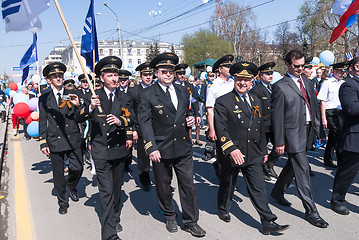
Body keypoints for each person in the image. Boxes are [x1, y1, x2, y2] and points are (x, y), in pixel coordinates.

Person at [215, 61, 289, 235]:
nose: (242, 83)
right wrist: (231, 149)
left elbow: (260, 127)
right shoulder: (223, 101)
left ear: (252, 81)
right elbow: (221, 129)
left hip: (253, 152)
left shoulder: (255, 99)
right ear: (234, 79)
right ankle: (223, 208)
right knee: (228, 184)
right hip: (233, 152)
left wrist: (263, 151)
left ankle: (267, 221)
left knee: (258, 187)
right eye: (239, 79)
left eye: (246, 80)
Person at [138, 53, 206, 237]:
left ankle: (191, 221)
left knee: (188, 185)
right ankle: (169, 215)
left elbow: (187, 111)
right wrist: (150, 147)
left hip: (183, 146)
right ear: (156, 73)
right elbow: (144, 123)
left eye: (171, 71)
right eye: (164, 71)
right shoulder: (147, 94)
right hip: (161, 147)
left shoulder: (183, 90)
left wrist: (190, 119)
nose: (168, 74)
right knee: (163, 185)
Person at [75, 56, 134, 240]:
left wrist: (120, 121)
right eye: (110, 75)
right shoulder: (92, 96)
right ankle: (109, 233)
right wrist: (90, 108)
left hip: (119, 150)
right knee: (106, 190)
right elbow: (78, 117)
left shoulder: (125, 96)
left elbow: (132, 118)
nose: (115, 78)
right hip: (101, 150)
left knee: (116, 189)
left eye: (116, 74)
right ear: (102, 78)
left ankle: (114, 217)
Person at [270, 49, 328, 228]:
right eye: (296, 66)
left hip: (308, 130)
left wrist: (318, 131)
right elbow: (277, 117)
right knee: (303, 170)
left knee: (292, 166)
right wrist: (279, 141)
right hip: (292, 134)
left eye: (303, 66)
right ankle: (311, 212)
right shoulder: (280, 86)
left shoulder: (308, 83)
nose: (300, 69)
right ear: (287, 64)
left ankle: (277, 192)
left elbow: (313, 107)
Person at [38, 62, 83, 215]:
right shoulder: (44, 98)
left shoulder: (71, 93)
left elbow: (81, 115)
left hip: (73, 138)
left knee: (78, 167)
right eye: (54, 76)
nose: (58, 78)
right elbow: (43, 120)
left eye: (60, 75)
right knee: (58, 174)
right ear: (49, 79)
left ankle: (72, 184)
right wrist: (43, 141)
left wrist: (77, 106)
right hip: (55, 139)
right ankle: (62, 201)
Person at [330, 56, 359, 215]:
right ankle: (337, 200)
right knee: (347, 171)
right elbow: (351, 108)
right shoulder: (349, 85)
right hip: (355, 136)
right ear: (356, 67)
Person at [250, 62, 280, 181]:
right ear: (261, 75)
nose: (270, 76)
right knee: (262, 151)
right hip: (262, 125)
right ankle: (262, 170)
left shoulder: (273, 87)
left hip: (273, 125)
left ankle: (270, 165)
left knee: (279, 148)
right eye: (267, 74)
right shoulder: (256, 90)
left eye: (271, 73)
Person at [206, 55, 234, 178]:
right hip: (220, 123)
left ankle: (224, 168)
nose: (229, 68)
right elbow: (210, 108)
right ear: (220, 69)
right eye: (227, 67)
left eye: (230, 66)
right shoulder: (214, 86)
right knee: (223, 151)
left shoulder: (234, 82)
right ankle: (224, 176)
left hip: (234, 122)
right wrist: (211, 129)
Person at [127, 62, 153, 191]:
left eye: (150, 74)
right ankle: (144, 178)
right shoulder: (133, 91)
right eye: (145, 75)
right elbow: (130, 111)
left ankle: (162, 180)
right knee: (143, 157)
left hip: (157, 128)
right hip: (141, 128)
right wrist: (133, 130)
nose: (148, 77)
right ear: (140, 76)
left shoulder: (157, 89)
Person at [317, 62, 346, 168]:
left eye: (343, 71)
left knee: (339, 136)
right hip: (330, 112)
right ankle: (329, 159)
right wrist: (323, 118)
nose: (342, 73)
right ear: (334, 71)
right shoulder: (327, 83)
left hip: (341, 112)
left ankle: (338, 159)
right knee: (336, 134)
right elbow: (323, 101)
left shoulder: (343, 83)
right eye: (340, 71)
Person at [174, 63, 201, 145]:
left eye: (183, 74)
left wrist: (197, 114)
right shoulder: (173, 86)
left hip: (189, 113)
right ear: (176, 75)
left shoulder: (190, 86)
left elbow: (194, 101)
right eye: (180, 74)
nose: (182, 76)